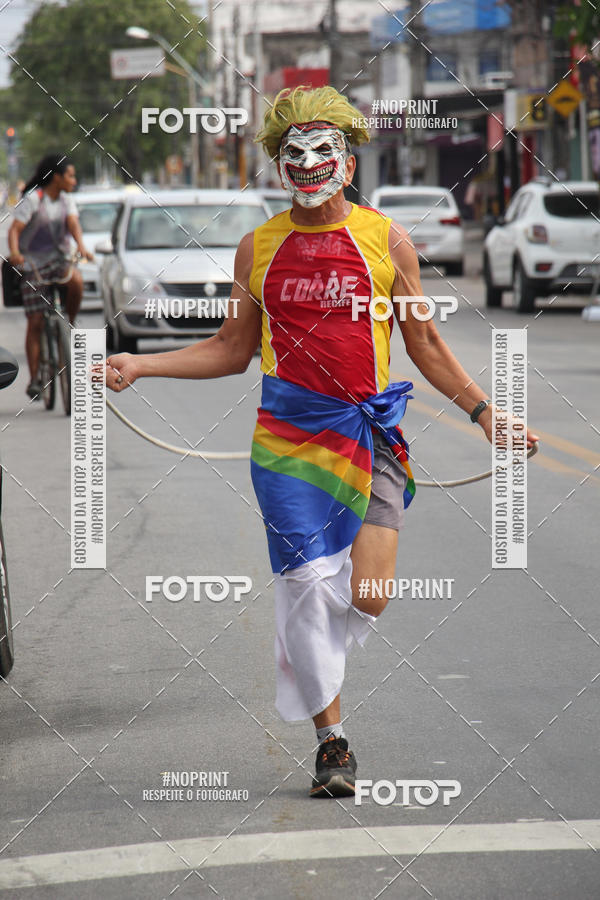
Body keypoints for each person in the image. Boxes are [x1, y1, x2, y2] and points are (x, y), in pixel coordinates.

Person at [104, 86, 539, 798]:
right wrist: (142, 363)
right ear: (278, 163)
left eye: (321, 150)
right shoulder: (259, 246)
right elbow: (231, 347)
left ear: (347, 155)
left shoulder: (386, 239)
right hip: (287, 442)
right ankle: (330, 739)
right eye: (293, 153)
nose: (308, 164)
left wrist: (486, 415)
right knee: (307, 584)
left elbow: (423, 341)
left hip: (371, 433)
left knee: (367, 596)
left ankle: (306, 654)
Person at [7, 154, 93, 399]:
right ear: (57, 178)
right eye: (70, 176)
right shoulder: (34, 200)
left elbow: (74, 225)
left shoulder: (67, 201)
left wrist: (81, 246)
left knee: (75, 280)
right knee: (35, 322)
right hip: (33, 263)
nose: (73, 181)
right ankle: (35, 378)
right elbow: (14, 231)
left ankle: (70, 323)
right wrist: (15, 253)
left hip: (59, 260)